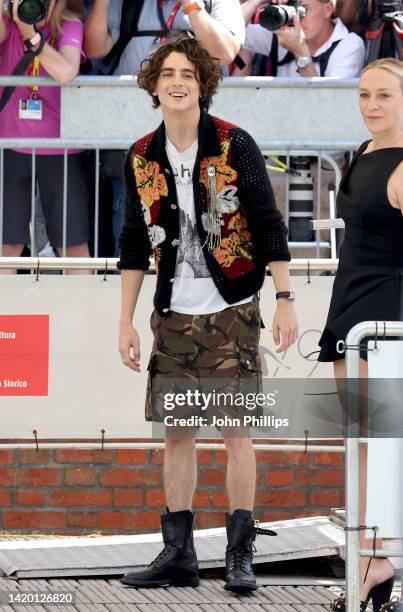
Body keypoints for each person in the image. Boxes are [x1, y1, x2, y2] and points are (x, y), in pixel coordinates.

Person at [117, 34, 298, 592]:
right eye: (167, 73)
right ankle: (179, 555)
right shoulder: (141, 155)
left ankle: (239, 555)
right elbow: (131, 242)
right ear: (154, 85)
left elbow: (269, 223)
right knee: (176, 434)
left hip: (233, 310)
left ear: (202, 84)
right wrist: (124, 320)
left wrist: (285, 299)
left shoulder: (233, 143)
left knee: (238, 434)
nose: (177, 81)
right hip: (171, 315)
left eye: (188, 74)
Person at [317, 58, 403, 612]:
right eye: (365, 94)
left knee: (384, 443)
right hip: (350, 301)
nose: (371, 105)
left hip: (386, 309)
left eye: (385, 96)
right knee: (362, 441)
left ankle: (383, 557)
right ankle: (375, 558)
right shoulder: (364, 152)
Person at [83, 0, 245, 258]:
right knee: (130, 229)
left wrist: (193, 6)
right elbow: (94, 48)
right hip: (132, 139)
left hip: (197, 143)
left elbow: (224, 53)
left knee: (195, 229)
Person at [0, 0, 91, 274]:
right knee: (7, 248)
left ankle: (82, 315)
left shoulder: (68, 23)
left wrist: (31, 34)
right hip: (12, 145)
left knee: (72, 247)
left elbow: (65, 70)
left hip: (61, 148)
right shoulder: (8, 22)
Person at [234, 0, 365, 77]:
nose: (296, 19)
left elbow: (328, 106)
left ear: (328, 9)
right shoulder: (281, 33)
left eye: (303, 10)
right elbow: (229, 32)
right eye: (292, 10)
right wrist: (256, 2)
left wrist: (299, 52)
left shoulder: (349, 45)